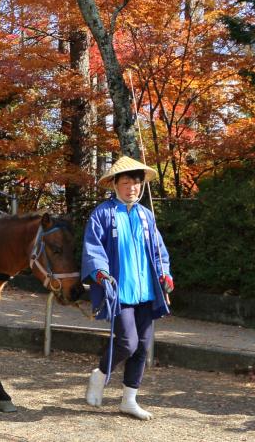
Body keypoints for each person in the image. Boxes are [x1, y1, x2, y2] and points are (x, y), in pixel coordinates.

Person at [81, 156, 174, 421]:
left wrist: (165, 275)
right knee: (126, 342)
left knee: (143, 346)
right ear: (114, 185)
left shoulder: (146, 216)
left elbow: (159, 253)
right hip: (120, 291)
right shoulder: (102, 213)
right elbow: (93, 248)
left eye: (136, 182)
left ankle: (129, 400)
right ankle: (100, 375)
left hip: (147, 291)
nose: (132, 187)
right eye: (126, 182)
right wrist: (101, 272)